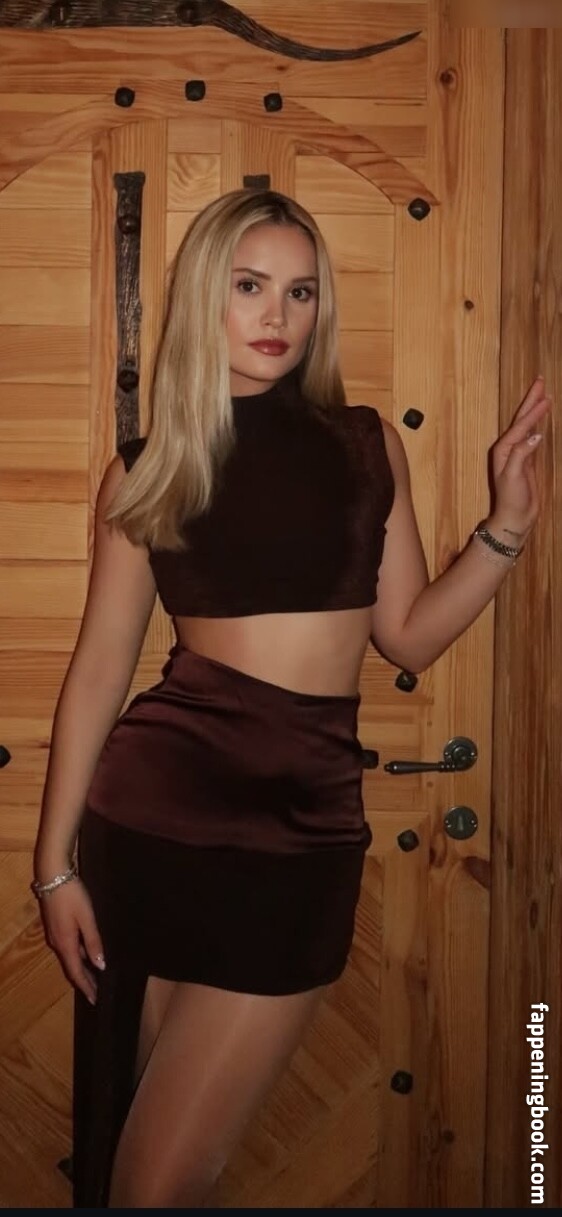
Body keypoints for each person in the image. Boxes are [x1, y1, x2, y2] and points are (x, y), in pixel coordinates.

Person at [31, 188, 551, 1209]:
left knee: (160, 1180)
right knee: (143, 1165)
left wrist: (506, 527)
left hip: (302, 833)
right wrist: (54, 869)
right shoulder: (149, 467)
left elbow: (407, 636)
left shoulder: (365, 444)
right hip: (157, 822)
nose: (277, 314)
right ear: (205, 298)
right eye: (249, 286)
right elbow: (98, 670)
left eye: (300, 291)